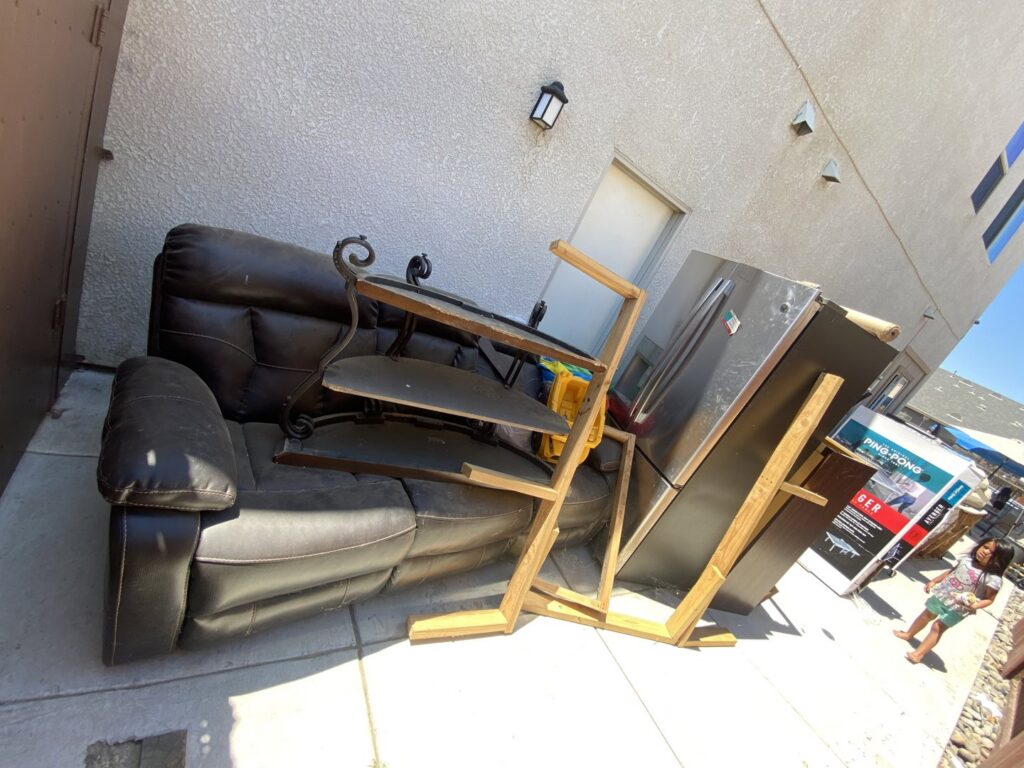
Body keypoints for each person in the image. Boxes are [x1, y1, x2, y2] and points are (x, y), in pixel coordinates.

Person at [892, 538, 1015, 664]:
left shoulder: (993, 579)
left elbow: (989, 599)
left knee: (937, 627)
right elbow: (950, 572)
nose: (985, 552)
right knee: (926, 615)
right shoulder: (966, 560)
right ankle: (908, 634)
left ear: (1000, 561)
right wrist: (934, 581)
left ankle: (918, 654)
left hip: (959, 608)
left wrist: (976, 605)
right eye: (985, 547)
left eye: (992, 553)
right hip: (942, 596)